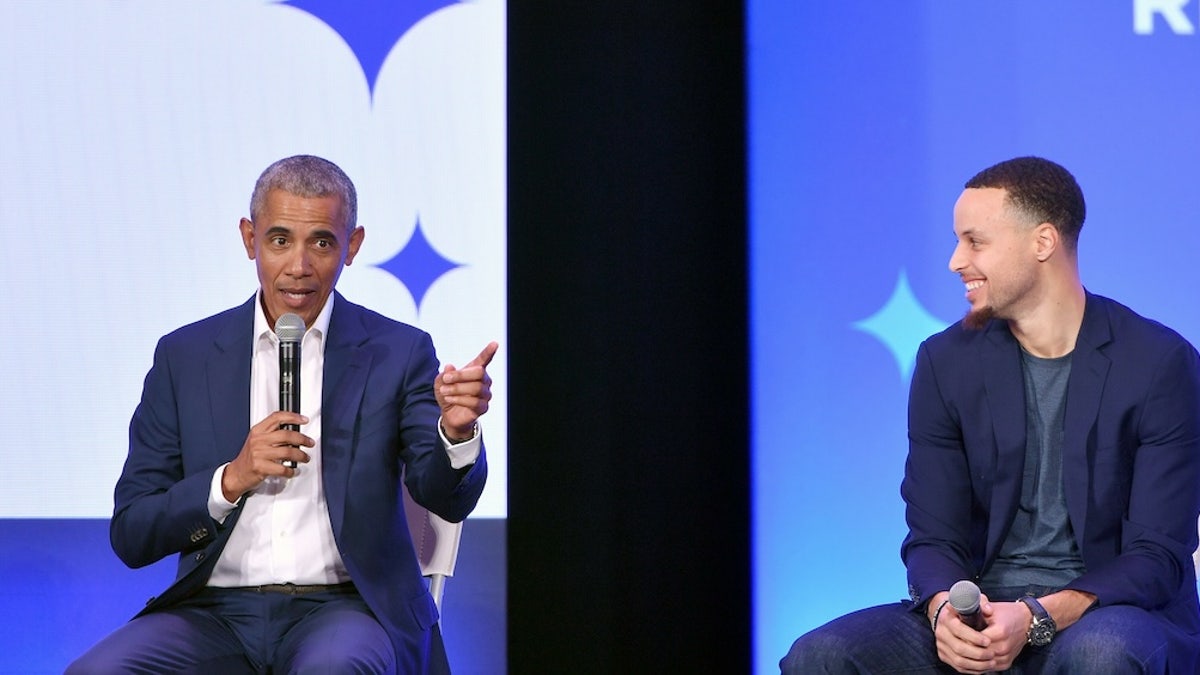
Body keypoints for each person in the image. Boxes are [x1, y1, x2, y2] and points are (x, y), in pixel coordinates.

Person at [68, 154, 495, 674]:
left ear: (352, 246)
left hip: (345, 609)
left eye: (322, 242)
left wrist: (456, 431)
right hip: (213, 614)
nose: (299, 265)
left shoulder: (396, 352)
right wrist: (230, 479)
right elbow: (133, 532)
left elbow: (443, 494)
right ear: (250, 239)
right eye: (279, 240)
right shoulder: (186, 357)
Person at [781, 156, 1200, 673]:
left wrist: (1037, 616)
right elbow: (932, 536)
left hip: (1110, 611)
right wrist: (943, 614)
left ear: (1042, 243)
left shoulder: (1159, 363)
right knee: (820, 656)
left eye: (974, 241)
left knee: (1100, 655)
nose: (956, 260)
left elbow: (1156, 557)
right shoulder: (945, 362)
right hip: (983, 607)